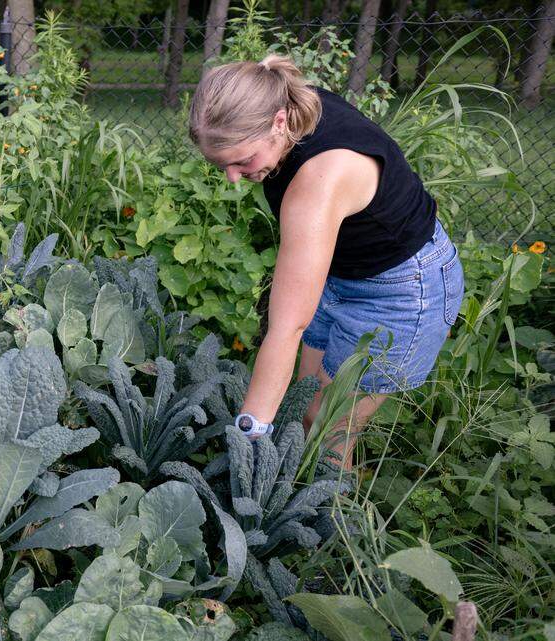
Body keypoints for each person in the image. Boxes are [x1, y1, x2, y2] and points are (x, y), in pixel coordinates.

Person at [188, 54, 464, 468]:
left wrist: (246, 438)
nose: (232, 178)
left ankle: (333, 524)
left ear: (278, 122)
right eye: (221, 165)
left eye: (242, 161)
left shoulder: (318, 181)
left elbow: (287, 327)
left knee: (332, 427)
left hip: (404, 290)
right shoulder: (291, 103)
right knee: (303, 407)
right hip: (339, 274)